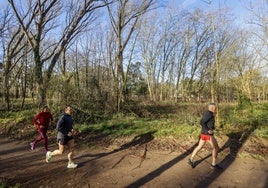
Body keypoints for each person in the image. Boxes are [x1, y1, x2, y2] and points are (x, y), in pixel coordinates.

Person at [188, 103, 222, 170]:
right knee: (216, 148)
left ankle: (191, 159)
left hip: (203, 134)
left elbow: (206, 122)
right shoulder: (209, 114)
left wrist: (212, 127)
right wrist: (208, 130)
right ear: (212, 108)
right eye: (215, 108)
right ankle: (213, 164)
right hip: (207, 134)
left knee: (199, 146)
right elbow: (202, 122)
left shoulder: (208, 113)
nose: (215, 109)